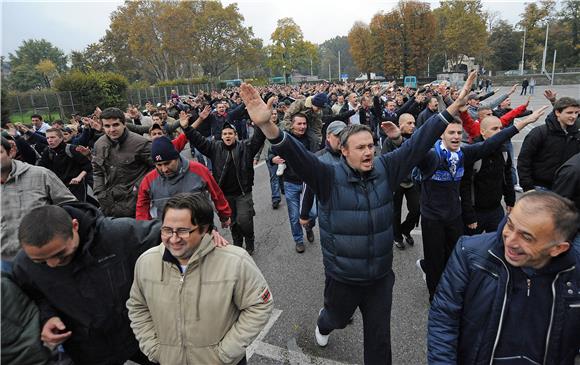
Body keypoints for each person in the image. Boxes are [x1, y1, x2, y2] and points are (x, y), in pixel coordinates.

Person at [240, 71, 478, 365]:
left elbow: (420, 142)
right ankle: (323, 322)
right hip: (343, 278)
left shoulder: (386, 168)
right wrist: (268, 125)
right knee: (336, 319)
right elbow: (297, 156)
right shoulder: (327, 176)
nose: (368, 152)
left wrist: (452, 108)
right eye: (360, 148)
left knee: (379, 342)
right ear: (343, 151)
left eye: (371, 146)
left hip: (380, 278)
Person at [428, 191, 579, 364]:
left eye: (526, 236)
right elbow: (444, 318)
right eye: (510, 224)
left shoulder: (575, 277)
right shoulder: (470, 254)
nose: (510, 240)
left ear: (558, 248)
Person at [416, 106, 548, 302]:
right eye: (450, 132)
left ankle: (453, 289)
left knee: (454, 258)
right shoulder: (431, 156)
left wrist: (522, 123)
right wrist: (397, 138)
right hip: (432, 218)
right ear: (442, 135)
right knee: (435, 261)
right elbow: (413, 149)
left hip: (454, 216)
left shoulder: (464, 154)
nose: (455, 136)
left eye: (459, 133)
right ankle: (435, 295)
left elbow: (492, 143)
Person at [127, 193, 273, 365]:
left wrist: (225, 353)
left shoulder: (236, 262)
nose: (173, 239)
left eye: (183, 231)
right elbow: (137, 306)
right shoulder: (146, 262)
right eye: (167, 230)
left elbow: (259, 305)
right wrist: (154, 349)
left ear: (204, 229)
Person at [11, 203, 160, 365]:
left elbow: (174, 238)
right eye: (41, 261)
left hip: (142, 335)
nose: (53, 264)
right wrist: (47, 317)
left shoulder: (117, 235)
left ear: (74, 226)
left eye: (60, 254)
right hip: (88, 350)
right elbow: (35, 295)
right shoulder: (24, 265)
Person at [180, 104, 265, 254]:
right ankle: (237, 243)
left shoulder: (246, 147)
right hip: (225, 194)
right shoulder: (214, 148)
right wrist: (187, 128)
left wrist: (261, 120)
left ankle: (249, 239)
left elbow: (259, 137)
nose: (227, 136)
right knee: (232, 222)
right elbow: (199, 140)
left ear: (235, 135)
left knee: (244, 220)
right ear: (221, 136)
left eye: (230, 133)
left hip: (243, 193)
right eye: (225, 133)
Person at [1, 136, 76, 265]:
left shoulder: (40, 175)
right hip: (6, 261)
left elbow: (71, 207)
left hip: (47, 257)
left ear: (11, 152)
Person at [135, 136, 232, 227]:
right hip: (168, 234)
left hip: (200, 229)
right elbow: (141, 210)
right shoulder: (148, 181)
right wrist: (146, 231)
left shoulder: (199, 170)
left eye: (167, 163)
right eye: (159, 165)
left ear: (176, 157)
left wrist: (225, 216)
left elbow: (216, 194)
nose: (164, 169)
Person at [269, 113, 318, 253]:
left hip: (308, 183)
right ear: (292, 125)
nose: (302, 127)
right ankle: (298, 240)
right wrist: (273, 159)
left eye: (304, 124)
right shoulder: (284, 139)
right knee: (294, 215)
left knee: (313, 213)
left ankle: (309, 226)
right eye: (299, 124)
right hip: (290, 183)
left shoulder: (311, 139)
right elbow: (271, 153)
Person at [92, 107, 153, 217]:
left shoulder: (141, 143)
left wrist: (139, 188)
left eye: (115, 125)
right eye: (107, 126)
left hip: (137, 203)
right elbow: (97, 170)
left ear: (124, 124)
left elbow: (157, 167)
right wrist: (100, 193)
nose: (111, 129)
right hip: (110, 203)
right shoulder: (99, 144)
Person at [459, 116, 515, 234]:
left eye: (501, 128)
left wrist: (510, 200)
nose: (499, 132)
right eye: (494, 129)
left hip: (496, 210)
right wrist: (469, 214)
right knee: (471, 246)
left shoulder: (503, 151)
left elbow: (507, 176)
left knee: (497, 245)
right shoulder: (472, 153)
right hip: (476, 212)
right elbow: (465, 186)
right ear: (482, 131)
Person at [517, 97, 580, 191]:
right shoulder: (539, 133)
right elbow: (524, 160)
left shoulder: (577, 133)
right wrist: (528, 187)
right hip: (541, 188)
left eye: (576, 113)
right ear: (557, 113)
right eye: (569, 113)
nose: (574, 116)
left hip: (568, 188)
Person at [381, 114, 420, 250]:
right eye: (409, 123)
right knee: (395, 213)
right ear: (400, 124)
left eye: (414, 123)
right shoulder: (389, 140)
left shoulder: (415, 138)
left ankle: (405, 229)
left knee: (416, 209)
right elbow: (385, 161)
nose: (413, 126)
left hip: (412, 181)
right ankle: (397, 237)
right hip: (396, 182)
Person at [37, 128, 95, 203]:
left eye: (52, 137)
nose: (49, 140)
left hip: (77, 186)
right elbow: (42, 168)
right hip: (60, 187)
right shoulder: (47, 152)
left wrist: (78, 178)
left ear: (61, 138)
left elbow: (87, 165)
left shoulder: (72, 149)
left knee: (80, 206)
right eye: (47, 138)